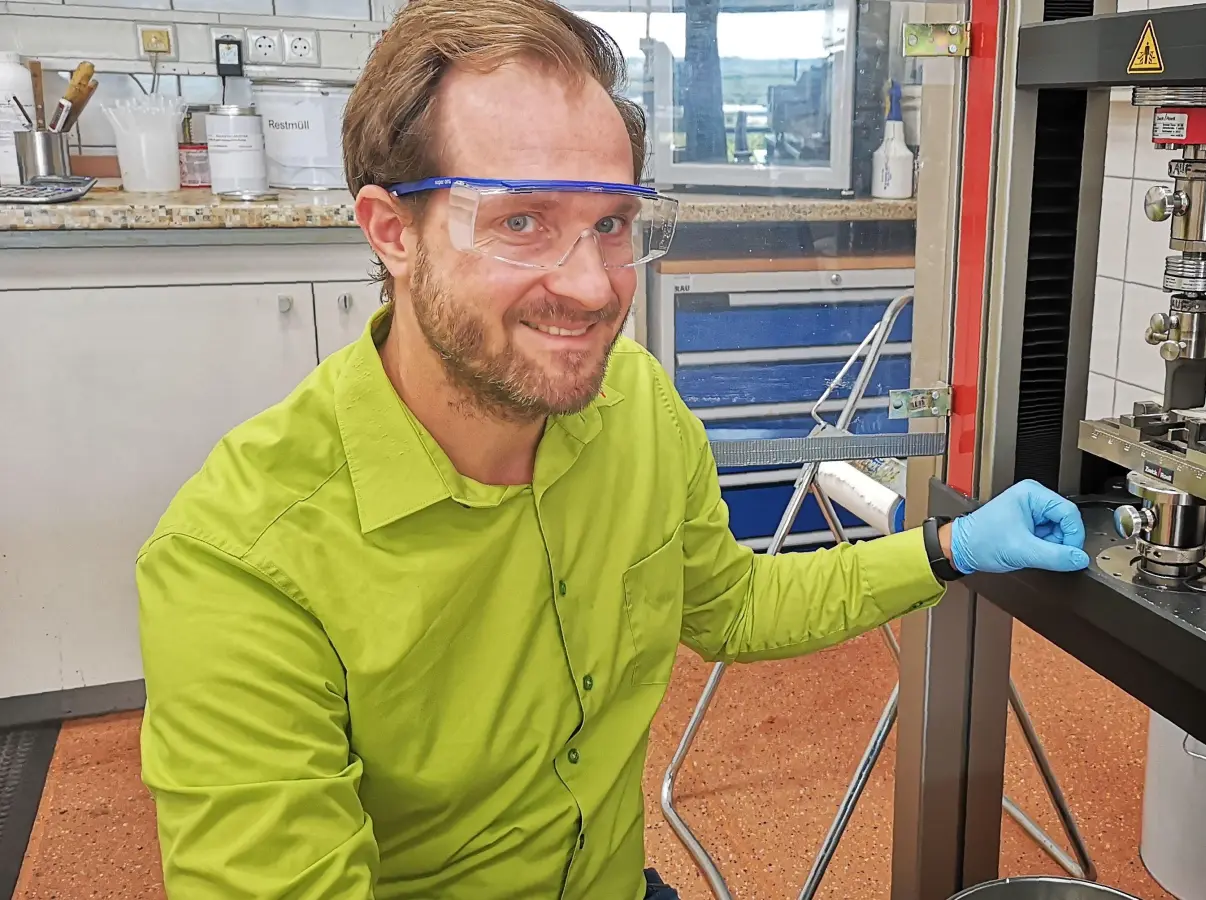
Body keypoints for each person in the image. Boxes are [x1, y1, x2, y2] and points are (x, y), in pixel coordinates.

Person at [133, 0, 1092, 897]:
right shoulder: (240, 565)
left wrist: (949, 548)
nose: (593, 287)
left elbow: (732, 607)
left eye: (611, 224)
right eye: (520, 222)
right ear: (393, 231)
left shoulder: (632, 403)